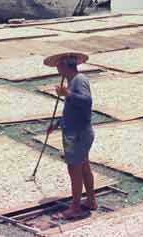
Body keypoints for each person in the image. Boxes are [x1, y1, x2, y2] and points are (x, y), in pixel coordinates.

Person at [47, 54, 95, 219]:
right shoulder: (71, 81)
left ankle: (75, 207)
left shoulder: (79, 80)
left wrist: (67, 94)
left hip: (78, 134)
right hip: (77, 131)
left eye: (59, 66)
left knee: (74, 169)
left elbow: (87, 102)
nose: (57, 69)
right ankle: (90, 201)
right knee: (84, 167)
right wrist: (57, 124)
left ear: (66, 66)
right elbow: (72, 110)